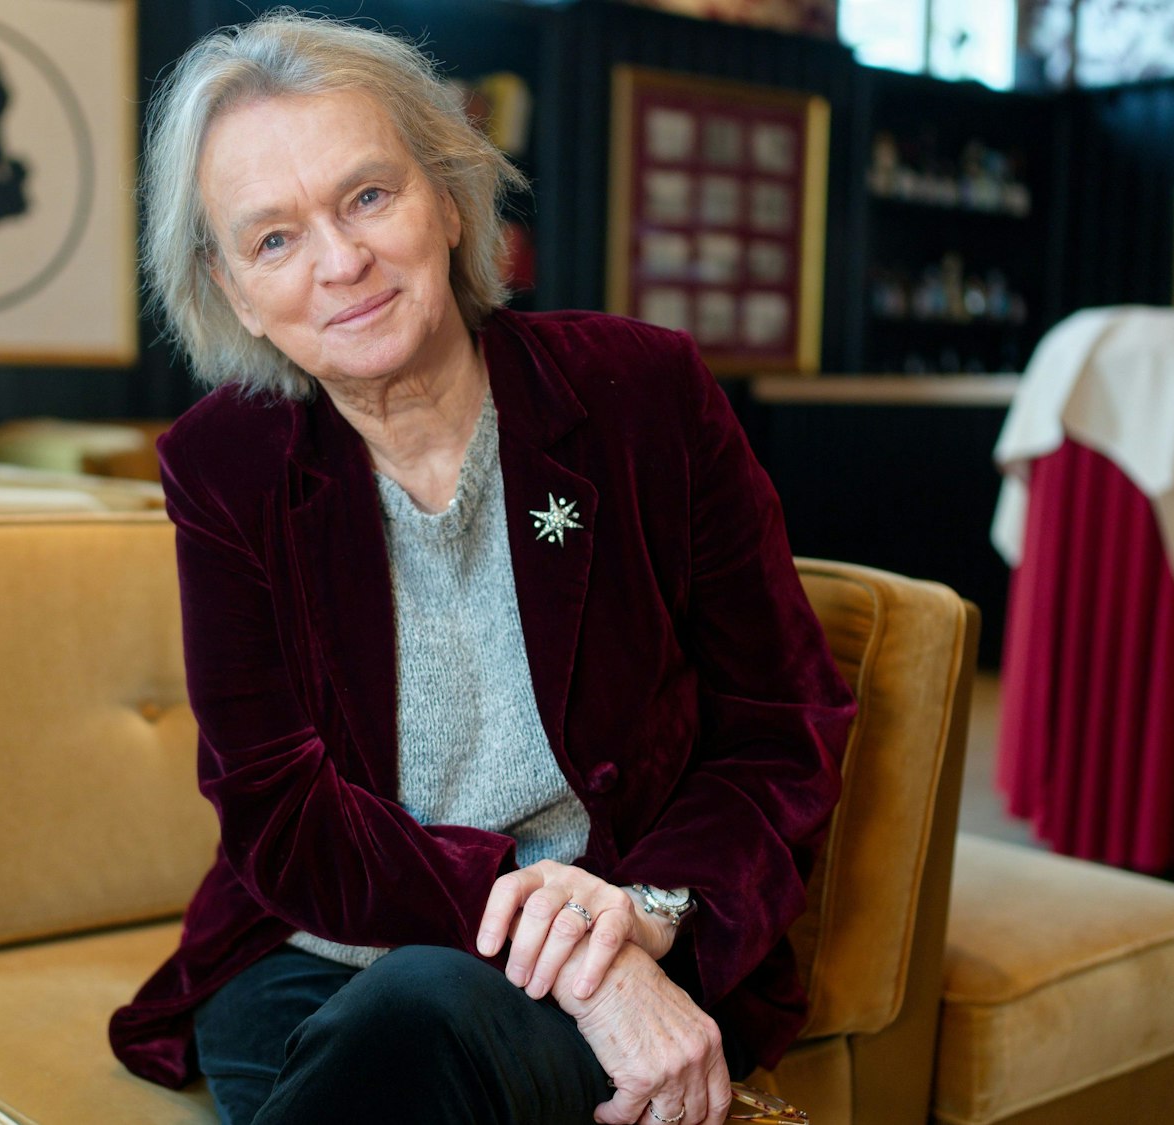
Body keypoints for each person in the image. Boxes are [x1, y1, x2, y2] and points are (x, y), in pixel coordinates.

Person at [109, 11, 854, 1125]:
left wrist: (643, 914)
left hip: (621, 919)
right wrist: (577, 965)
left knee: (414, 1024)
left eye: (367, 196)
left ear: (448, 196)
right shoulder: (225, 466)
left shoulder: (639, 395)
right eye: (273, 239)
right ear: (229, 291)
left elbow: (778, 716)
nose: (339, 261)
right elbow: (279, 815)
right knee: (404, 1012)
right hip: (315, 961)